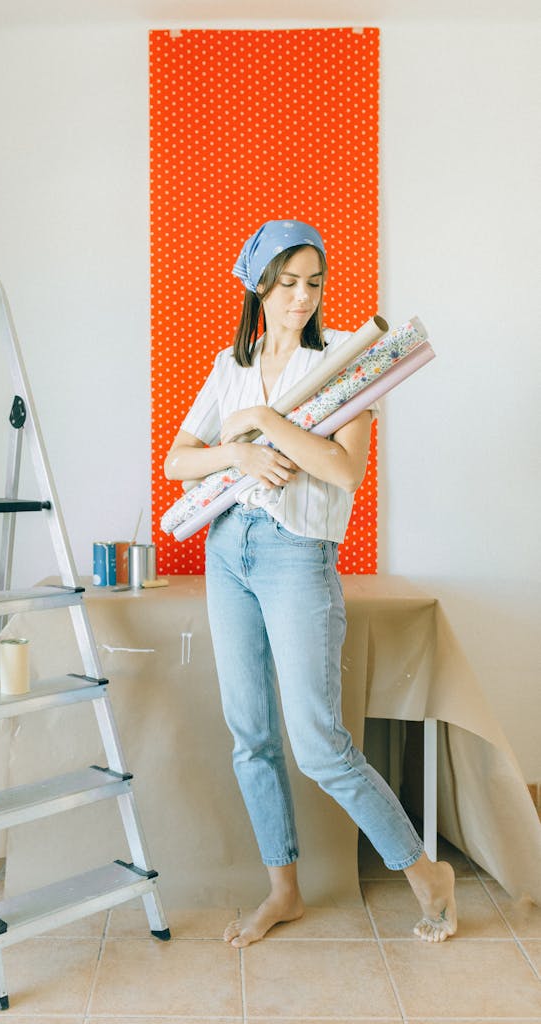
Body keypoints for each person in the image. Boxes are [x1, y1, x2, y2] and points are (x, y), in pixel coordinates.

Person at [164, 219, 457, 948]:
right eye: (287, 282)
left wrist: (266, 422)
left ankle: (424, 872)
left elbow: (340, 470)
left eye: (313, 283)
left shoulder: (343, 364)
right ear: (257, 285)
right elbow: (177, 461)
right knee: (249, 735)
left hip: (297, 556)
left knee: (320, 742)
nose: (301, 297)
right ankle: (282, 889)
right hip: (227, 552)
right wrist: (238, 454)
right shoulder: (229, 364)